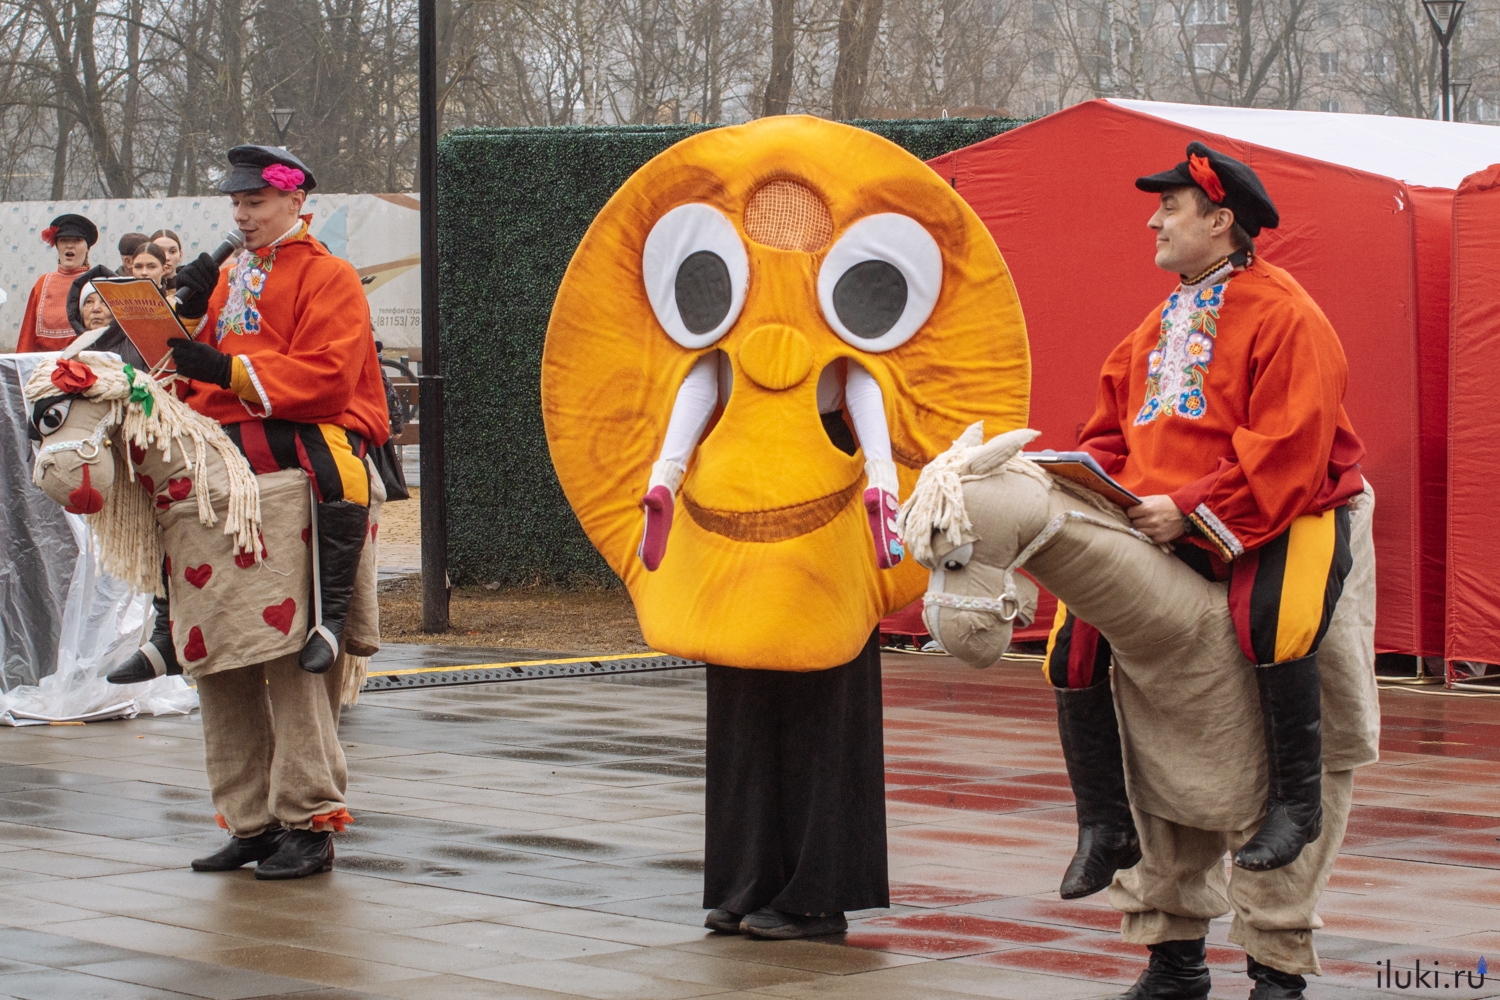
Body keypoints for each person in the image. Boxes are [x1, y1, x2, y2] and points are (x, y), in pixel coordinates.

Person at [1048, 142, 1371, 1000]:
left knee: (1278, 625)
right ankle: (1109, 830)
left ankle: (1291, 812)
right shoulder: (1155, 324)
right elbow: (1109, 430)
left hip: (1287, 511)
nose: (1153, 221)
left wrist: (1188, 507)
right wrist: (1095, 487)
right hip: (1164, 523)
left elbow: (1292, 451)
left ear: (1220, 220)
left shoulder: (1287, 314)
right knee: (1069, 645)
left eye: (1169, 208)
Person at [127, 144, 387, 879]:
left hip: (296, 466)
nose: (241, 215)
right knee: (217, 655)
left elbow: (330, 377)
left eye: (255, 203)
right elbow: (175, 367)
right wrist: (178, 314)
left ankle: (309, 819)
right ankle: (250, 820)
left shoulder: (329, 275)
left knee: (295, 658)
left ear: (295, 201)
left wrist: (228, 371)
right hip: (222, 471)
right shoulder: (226, 275)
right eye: (235, 205)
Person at [16, 214, 97, 352]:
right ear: (57, 245)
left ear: (88, 247)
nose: (69, 245)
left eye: (77, 240)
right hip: (44, 365)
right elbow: (27, 335)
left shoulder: (96, 282)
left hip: (85, 364)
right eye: (63, 240)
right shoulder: (43, 283)